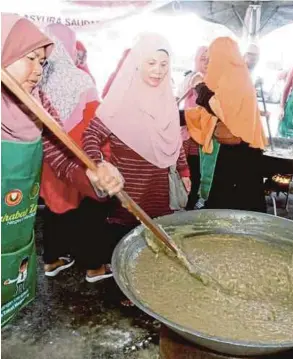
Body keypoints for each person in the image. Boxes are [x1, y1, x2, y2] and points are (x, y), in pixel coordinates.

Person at [1, 14, 123, 326]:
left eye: (42, 62)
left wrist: (93, 175)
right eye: (29, 58)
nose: (37, 71)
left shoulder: (35, 102)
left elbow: (62, 153)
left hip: (13, 227)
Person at [82, 32, 190, 249]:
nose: (157, 70)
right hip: (128, 194)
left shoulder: (167, 100)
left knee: (155, 251)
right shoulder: (121, 100)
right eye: (151, 62)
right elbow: (90, 135)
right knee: (125, 250)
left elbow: (174, 141)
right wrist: (99, 164)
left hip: (160, 193)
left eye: (163, 64)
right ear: (138, 63)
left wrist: (184, 171)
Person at [40, 24, 113, 282]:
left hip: (47, 157)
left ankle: (51, 260)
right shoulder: (81, 78)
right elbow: (93, 125)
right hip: (78, 157)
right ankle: (91, 264)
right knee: (88, 210)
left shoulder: (38, 78)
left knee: (55, 206)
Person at [183, 37, 268, 212]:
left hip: (240, 156)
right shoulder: (232, 76)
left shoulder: (235, 78)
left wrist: (199, 86)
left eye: (212, 58)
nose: (209, 63)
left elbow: (219, 107)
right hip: (237, 153)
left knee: (233, 205)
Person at [177, 46, 208, 210]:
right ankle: (182, 202)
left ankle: (191, 204)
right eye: (203, 59)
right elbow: (176, 98)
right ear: (196, 60)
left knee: (197, 171)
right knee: (184, 170)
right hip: (187, 134)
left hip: (203, 136)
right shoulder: (192, 78)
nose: (206, 63)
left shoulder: (214, 80)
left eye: (209, 60)